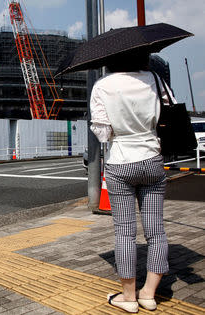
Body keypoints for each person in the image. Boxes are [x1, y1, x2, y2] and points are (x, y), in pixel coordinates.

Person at [90, 52, 173, 313]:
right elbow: (169, 112)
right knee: (156, 232)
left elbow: (103, 133)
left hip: (121, 163)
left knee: (125, 234)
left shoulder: (102, 85)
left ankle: (129, 297)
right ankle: (149, 294)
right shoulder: (156, 80)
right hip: (152, 159)